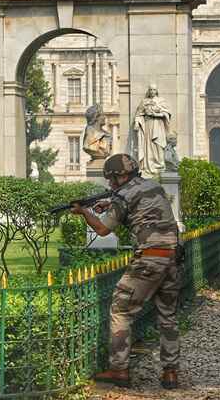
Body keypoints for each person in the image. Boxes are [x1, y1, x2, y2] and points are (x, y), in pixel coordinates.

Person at [70, 153, 180, 390]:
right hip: (171, 257)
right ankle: (171, 372)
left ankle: (118, 370)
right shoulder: (154, 186)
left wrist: (85, 212)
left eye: (111, 179)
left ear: (121, 176)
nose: (109, 184)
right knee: (167, 315)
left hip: (149, 259)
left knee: (121, 308)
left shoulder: (122, 195)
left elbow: (102, 229)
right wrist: (110, 204)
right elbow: (141, 204)